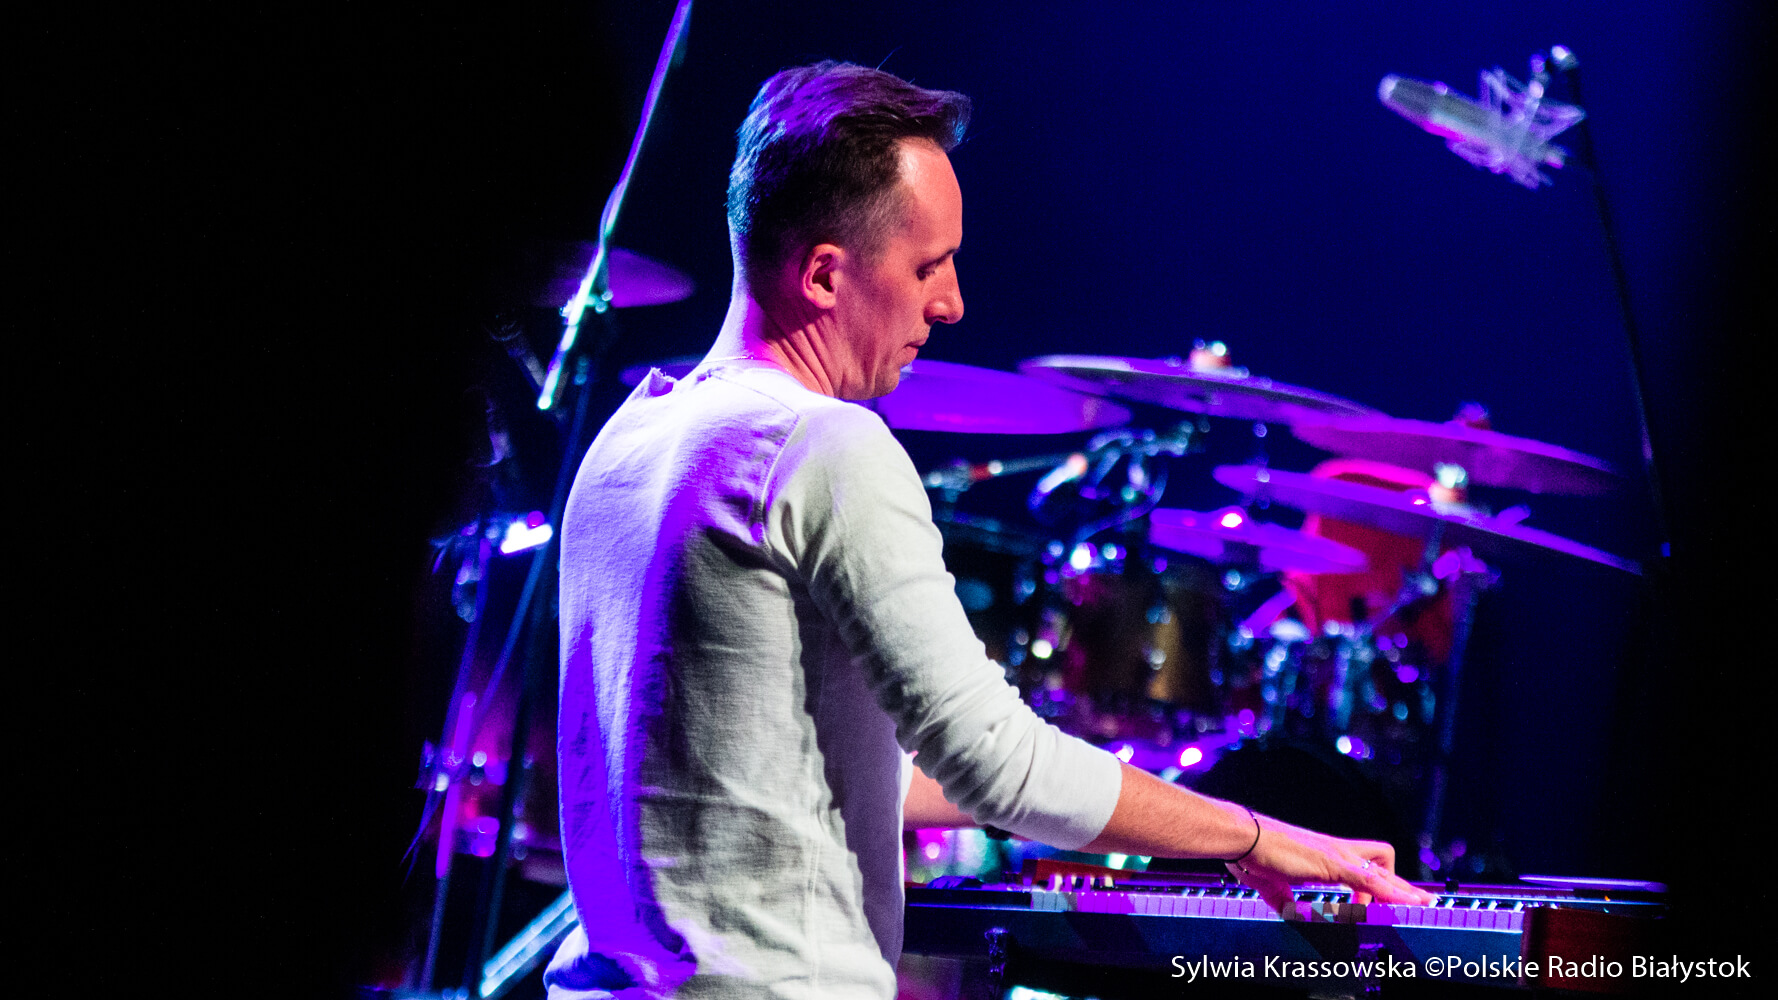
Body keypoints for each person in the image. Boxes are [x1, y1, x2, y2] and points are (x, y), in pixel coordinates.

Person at [545, 61, 1434, 1000]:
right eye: (927, 266)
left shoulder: (630, 439)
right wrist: (1256, 837)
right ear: (823, 274)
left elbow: (781, 762)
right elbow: (996, 760)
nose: (952, 303)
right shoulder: (822, 444)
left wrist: (1139, 811)